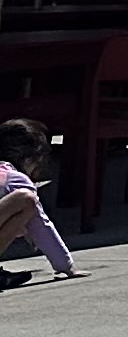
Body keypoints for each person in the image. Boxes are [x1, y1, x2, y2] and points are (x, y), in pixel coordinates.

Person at [0, 115, 72, 285]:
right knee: (26, 200)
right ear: (29, 160)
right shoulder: (14, 179)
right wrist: (65, 266)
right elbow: (40, 225)